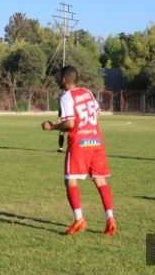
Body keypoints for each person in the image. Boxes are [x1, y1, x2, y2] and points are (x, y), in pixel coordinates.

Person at [41, 66, 116, 236]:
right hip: (96, 141)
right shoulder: (87, 93)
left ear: (63, 79)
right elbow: (96, 116)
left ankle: (79, 219)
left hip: (79, 144)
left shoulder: (67, 97)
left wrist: (51, 127)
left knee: (71, 181)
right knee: (101, 181)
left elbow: (70, 124)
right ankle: (110, 218)